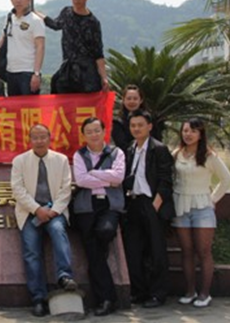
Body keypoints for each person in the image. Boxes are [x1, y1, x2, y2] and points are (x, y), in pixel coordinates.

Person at [11, 124, 77, 317]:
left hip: (55, 211)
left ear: (49, 138)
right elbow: (17, 190)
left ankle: (64, 276)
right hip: (30, 212)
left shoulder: (61, 160)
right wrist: (37, 209)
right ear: (30, 140)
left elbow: (66, 189)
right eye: (35, 137)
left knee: (58, 231)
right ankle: (38, 298)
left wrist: (53, 211)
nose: (39, 141)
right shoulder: (20, 161)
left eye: (43, 137)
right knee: (31, 251)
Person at [172, 118, 230, 308]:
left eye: (193, 131)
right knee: (186, 251)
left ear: (200, 134)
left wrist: (212, 199)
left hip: (202, 208)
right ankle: (190, 291)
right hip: (180, 207)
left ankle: (205, 293)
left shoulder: (209, 156)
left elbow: (227, 179)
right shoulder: (176, 154)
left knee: (203, 252)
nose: (188, 134)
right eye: (185, 131)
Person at [72, 117, 125, 316]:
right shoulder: (80, 155)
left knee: (105, 232)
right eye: (89, 132)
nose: (94, 135)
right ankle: (107, 300)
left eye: (97, 130)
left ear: (104, 132)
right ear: (83, 135)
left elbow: (119, 177)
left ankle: (105, 298)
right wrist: (107, 179)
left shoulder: (116, 152)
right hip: (86, 206)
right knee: (93, 251)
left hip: (109, 205)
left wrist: (93, 173)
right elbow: (81, 180)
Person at [122, 110, 174, 308]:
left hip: (152, 203)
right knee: (134, 250)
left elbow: (166, 180)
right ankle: (139, 291)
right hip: (133, 203)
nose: (136, 129)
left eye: (140, 125)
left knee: (156, 250)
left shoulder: (159, 149)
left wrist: (156, 204)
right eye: (133, 125)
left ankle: (158, 294)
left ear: (150, 126)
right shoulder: (130, 148)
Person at [35, 0, 109, 93]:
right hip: (68, 68)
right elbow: (55, 24)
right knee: (57, 85)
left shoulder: (93, 22)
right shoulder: (67, 12)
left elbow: (98, 52)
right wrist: (35, 13)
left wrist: (104, 77)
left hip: (87, 72)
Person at [0, 0, 45, 96]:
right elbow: (3, 37)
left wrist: (36, 73)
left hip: (28, 72)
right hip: (11, 71)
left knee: (29, 105)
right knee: (14, 105)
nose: (18, 0)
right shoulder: (9, 18)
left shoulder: (36, 20)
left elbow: (40, 47)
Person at [111, 85, 144, 153]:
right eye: (129, 99)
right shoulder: (117, 122)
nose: (132, 101)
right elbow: (122, 146)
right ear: (123, 100)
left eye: (135, 99)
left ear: (141, 100)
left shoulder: (149, 120)